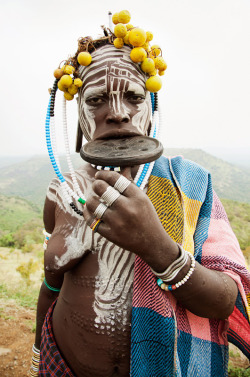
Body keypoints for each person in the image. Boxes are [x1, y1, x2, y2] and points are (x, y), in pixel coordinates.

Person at [30, 10, 250, 377]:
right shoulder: (63, 190)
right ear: (78, 113)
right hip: (63, 363)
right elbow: (50, 287)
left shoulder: (191, 184)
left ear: (151, 107)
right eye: (96, 100)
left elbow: (227, 300)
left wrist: (154, 245)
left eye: (133, 97)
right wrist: (38, 352)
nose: (117, 113)